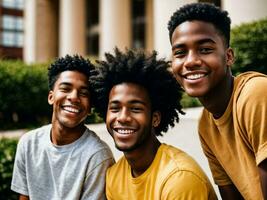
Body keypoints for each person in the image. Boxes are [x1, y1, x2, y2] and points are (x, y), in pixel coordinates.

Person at [168, 2, 267, 199]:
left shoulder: (256, 94)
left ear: (228, 56)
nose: (190, 61)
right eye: (180, 53)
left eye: (205, 49)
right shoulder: (206, 124)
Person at [90, 48, 217, 199]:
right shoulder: (114, 175)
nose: (123, 117)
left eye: (136, 109)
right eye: (115, 108)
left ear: (155, 118)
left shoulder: (179, 178)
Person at [11, 55, 115, 200]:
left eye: (84, 93)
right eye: (66, 88)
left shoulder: (98, 156)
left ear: (90, 107)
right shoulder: (28, 143)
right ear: (51, 97)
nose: (74, 97)